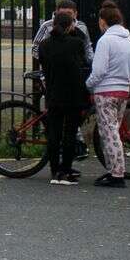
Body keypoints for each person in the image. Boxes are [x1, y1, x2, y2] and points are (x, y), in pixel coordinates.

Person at [86, 2, 130, 188]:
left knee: (109, 133)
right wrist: (125, 79)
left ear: (103, 21)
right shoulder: (129, 39)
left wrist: (89, 84)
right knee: (114, 130)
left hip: (105, 91)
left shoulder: (105, 41)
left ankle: (117, 174)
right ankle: (113, 170)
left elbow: (99, 70)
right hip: (123, 91)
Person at [32, 0, 94, 161]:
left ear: (75, 14)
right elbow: (36, 48)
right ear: (56, 13)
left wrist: (95, 64)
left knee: (73, 111)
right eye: (63, 14)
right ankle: (73, 145)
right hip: (52, 75)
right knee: (62, 112)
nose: (67, 18)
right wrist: (50, 60)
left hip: (73, 74)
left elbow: (87, 49)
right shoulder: (47, 26)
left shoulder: (81, 27)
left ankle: (69, 147)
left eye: (70, 14)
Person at [37, 12, 89, 185]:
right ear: (69, 26)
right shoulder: (76, 43)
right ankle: (66, 170)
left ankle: (54, 171)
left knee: (54, 133)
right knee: (70, 133)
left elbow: (43, 63)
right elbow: (82, 61)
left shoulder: (44, 45)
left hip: (53, 93)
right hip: (74, 94)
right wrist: (74, 31)